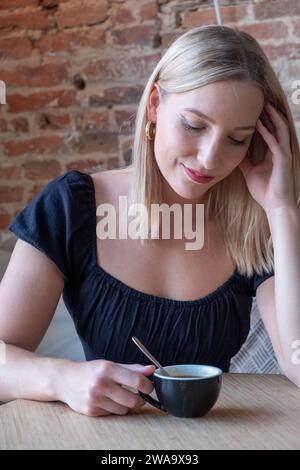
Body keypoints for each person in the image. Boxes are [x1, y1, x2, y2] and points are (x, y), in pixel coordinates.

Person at [0, 25, 299, 417]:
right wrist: (63, 378)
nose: (210, 158)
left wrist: (283, 210)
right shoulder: (72, 206)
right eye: (194, 125)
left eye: (237, 138)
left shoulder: (255, 222)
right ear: (155, 104)